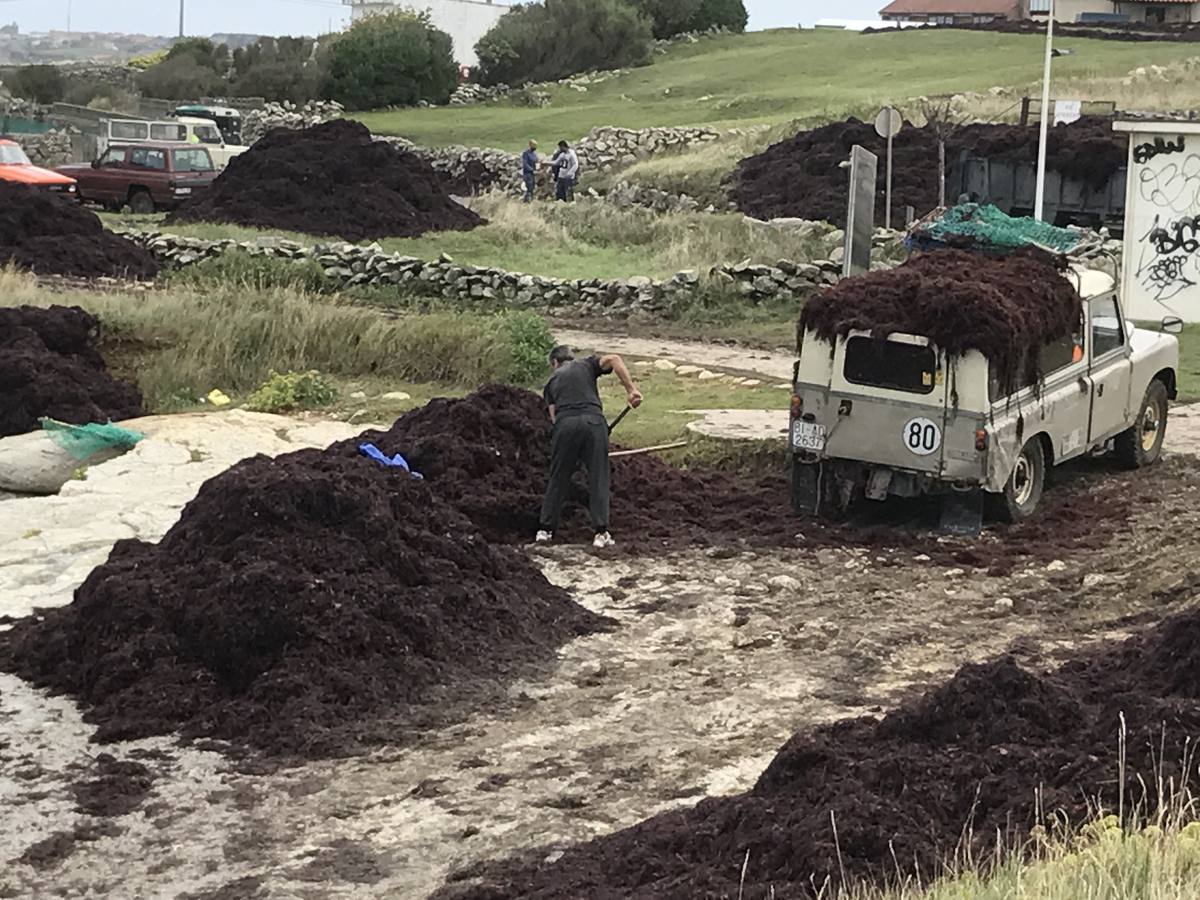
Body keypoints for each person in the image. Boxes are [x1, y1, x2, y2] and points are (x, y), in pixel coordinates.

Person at [536, 345, 642, 549]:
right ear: (570, 358)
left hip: (565, 425)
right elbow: (615, 359)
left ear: (554, 363)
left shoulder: (551, 381)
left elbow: (553, 418)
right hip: (593, 422)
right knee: (598, 476)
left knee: (559, 475)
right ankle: (600, 533)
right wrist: (631, 390)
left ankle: (545, 530)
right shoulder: (586, 364)